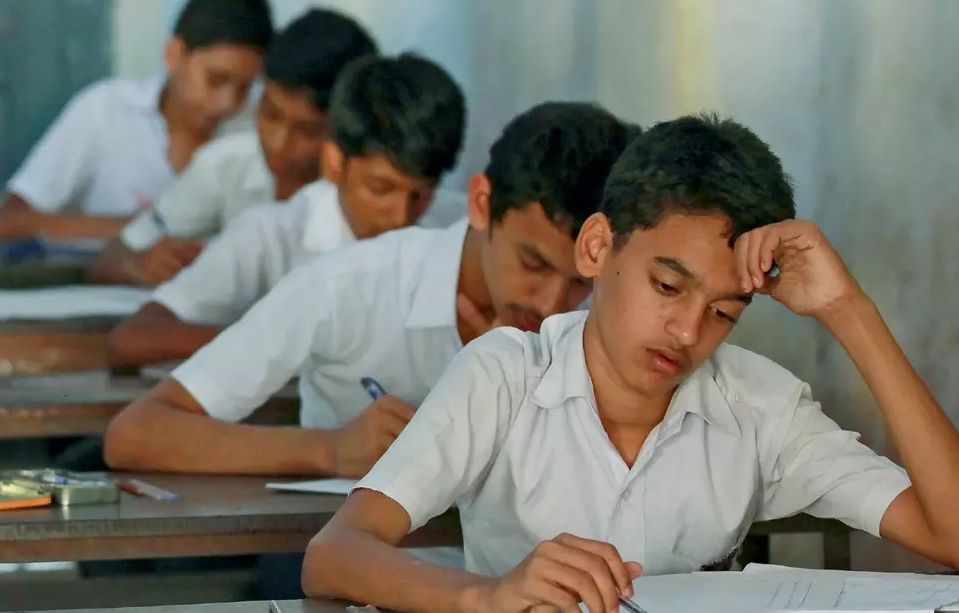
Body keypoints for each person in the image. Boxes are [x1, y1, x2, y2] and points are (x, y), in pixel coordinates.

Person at [303, 115, 959, 613]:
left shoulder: (758, 407)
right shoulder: (505, 378)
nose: (687, 331)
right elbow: (335, 554)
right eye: (667, 285)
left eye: (722, 312)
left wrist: (849, 311)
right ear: (596, 247)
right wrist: (486, 595)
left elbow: (951, 533)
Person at [104, 100, 640, 477]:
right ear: (482, 204)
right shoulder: (347, 286)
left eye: (582, 282)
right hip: (338, 568)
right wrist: (330, 450)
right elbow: (138, 432)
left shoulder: (623, 313)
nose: (552, 305)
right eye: (532, 263)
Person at [106, 52, 466, 373]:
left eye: (422, 195)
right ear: (334, 162)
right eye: (380, 189)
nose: (401, 216)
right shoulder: (269, 235)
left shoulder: (460, 228)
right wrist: (282, 343)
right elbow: (130, 340)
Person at [94, 7, 377, 285]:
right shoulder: (225, 165)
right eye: (270, 114)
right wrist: (141, 265)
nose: (279, 142)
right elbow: (115, 255)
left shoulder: (374, 190)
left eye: (308, 130)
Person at [0, 0, 274, 243]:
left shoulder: (255, 132)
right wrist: (148, 229)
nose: (228, 103)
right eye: (216, 80)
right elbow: (8, 223)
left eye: (245, 87)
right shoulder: (106, 111)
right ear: (174, 55)